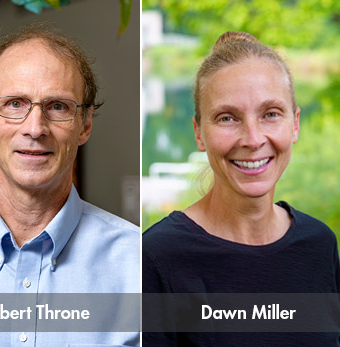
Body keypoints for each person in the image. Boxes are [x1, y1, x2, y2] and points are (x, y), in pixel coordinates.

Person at [0, 25, 140, 346]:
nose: (35, 128)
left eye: (57, 106)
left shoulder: (138, 264)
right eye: (15, 104)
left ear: (85, 125)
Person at [143, 31, 340, 346]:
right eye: (227, 118)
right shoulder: (156, 257)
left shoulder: (319, 245)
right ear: (198, 132)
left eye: (270, 114)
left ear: (296, 123)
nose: (252, 139)